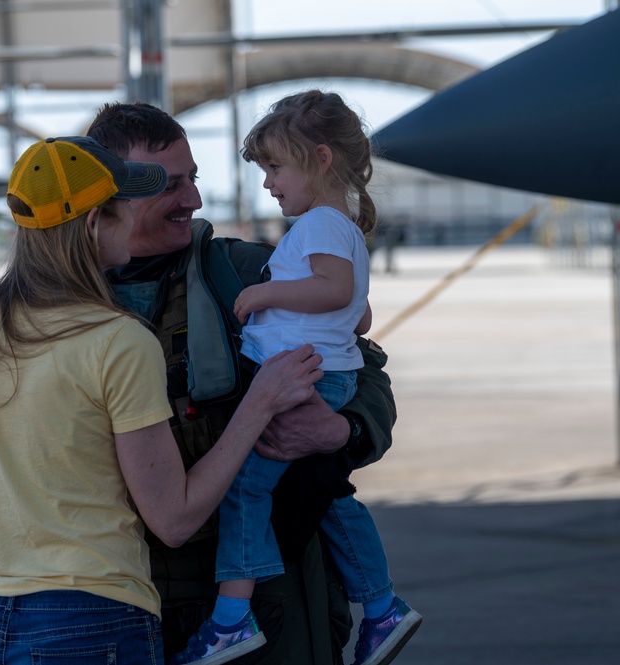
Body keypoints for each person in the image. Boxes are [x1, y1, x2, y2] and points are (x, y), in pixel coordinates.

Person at [0, 136, 323, 664]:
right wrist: (259, 405)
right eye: (120, 208)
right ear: (94, 225)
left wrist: (32, 499)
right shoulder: (117, 339)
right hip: (94, 621)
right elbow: (174, 520)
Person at [86, 103, 401, 665]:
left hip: (269, 598)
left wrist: (342, 430)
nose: (194, 202)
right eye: (167, 186)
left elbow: (364, 367)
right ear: (110, 195)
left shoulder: (253, 270)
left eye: (194, 180)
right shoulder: (64, 302)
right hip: (121, 592)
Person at [171, 91, 421, 665]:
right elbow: (356, 313)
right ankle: (381, 607)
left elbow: (336, 295)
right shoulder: (337, 228)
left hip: (300, 381)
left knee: (243, 489)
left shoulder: (320, 227)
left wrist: (265, 293)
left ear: (320, 158)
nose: (267, 183)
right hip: (319, 376)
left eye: (275, 167)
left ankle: (232, 619)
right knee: (330, 495)